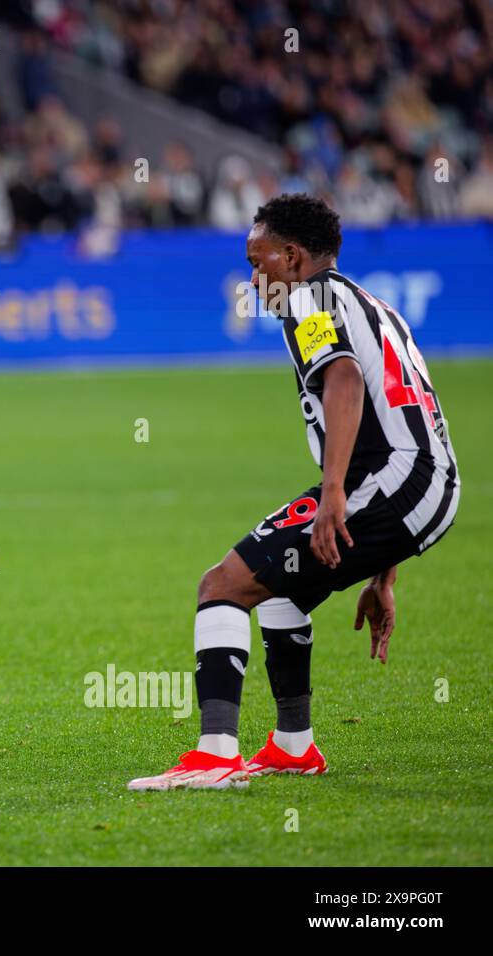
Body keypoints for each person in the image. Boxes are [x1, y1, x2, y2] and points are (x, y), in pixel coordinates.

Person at [129, 194, 459, 790]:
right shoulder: (370, 303)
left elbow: (345, 378)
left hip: (389, 480)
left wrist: (334, 493)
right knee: (279, 592)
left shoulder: (308, 298)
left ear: (293, 256)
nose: (254, 280)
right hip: (418, 484)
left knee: (223, 584)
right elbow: (401, 409)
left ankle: (214, 757)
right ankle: (291, 746)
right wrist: (382, 570)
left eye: (259, 263)